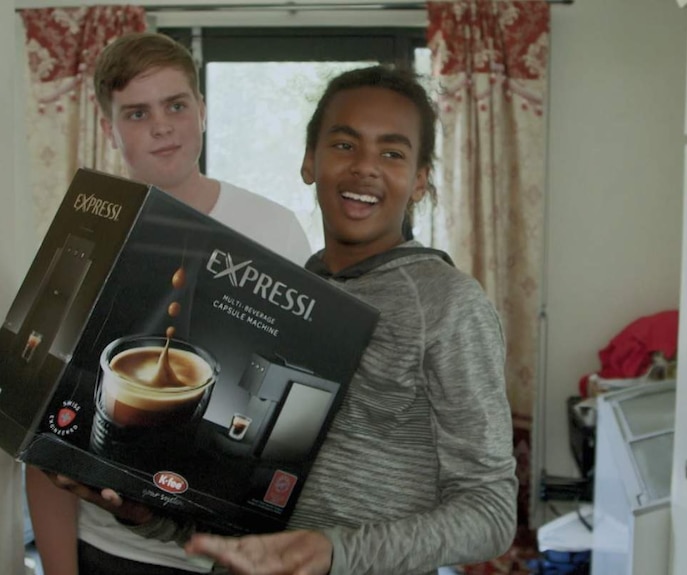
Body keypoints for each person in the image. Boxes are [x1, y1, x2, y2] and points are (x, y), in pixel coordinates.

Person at [40, 63, 517, 575]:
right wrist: (142, 513)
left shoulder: (448, 305)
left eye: (393, 153)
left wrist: (335, 553)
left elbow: (490, 512)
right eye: (344, 144)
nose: (365, 167)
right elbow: (243, 517)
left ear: (421, 180)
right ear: (310, 161)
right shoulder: (292, 292)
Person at [26, 31, 312, 575]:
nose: (161, 125)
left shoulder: (277, 231)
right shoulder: (84, 238)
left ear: (201, 110)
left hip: (233, 557)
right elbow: (43, 436)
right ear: (110, 129)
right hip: (108, 554)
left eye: (175, 105)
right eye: (136, 114)